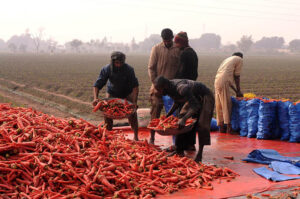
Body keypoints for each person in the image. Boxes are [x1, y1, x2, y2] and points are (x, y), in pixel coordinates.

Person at [153, 76, 215, 162]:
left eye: (159, 89)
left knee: (202, 125)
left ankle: (200, 153)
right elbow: (177, 102)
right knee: (180, 119)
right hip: (192, 97)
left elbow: (195, 106)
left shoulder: (181, 88)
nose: (158, 92)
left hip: (205, 96)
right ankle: (179, 150)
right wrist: (168, 115)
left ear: (164, 86)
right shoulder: (169, 88)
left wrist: (185, 119)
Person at [92, 51, 139, 141]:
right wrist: (95, 98)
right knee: (108, 114)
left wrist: (134, 102)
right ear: (112, 62)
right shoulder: (106, 69)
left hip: (126, 93)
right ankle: (108, 137)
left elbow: (135, 86)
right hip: (112, 93)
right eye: (117, 63)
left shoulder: (129, 69)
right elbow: (97, 85)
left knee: (132, 113)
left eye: (121, 63)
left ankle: (136, 137)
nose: (119, 65)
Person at [148, 28, 180, 144]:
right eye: (165, 40)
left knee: (174, 115)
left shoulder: (177, 49)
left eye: (169, 40)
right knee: (155, 113)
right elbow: (151, 68)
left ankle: (175, 142)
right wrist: (156, 85)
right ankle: (152, 138)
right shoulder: (156, 49)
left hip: (173, 88)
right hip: (158, 88)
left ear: (172, 38)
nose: (167, 42)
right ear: (162, 39)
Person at [214, 52, 244, 134]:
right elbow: (237, 76)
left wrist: (236, 91)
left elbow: (227, 81)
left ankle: (221, 128)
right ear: (241, 57)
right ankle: (229, 128)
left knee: (219, 105)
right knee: (227, 104)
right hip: (223, 81)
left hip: (217, 80)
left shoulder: (227, 60)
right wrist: (238, 90)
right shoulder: (239, 59)